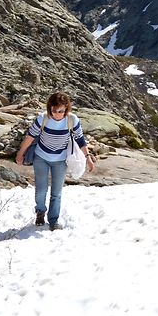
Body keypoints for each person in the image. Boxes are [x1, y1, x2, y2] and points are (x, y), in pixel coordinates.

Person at [15, 92, 93, 230]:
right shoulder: (42, 118)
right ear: (50, 107)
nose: (57, 114)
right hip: (41, 157)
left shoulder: (72, 120)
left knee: (56, 192)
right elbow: (30, 137)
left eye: (61, 111)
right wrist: (20, 154)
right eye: (54, 110)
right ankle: (40, 211)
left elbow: (80, 139)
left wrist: (88, 158)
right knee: (41, 189)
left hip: (60, 160)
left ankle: (53, 220)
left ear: (67, 109)